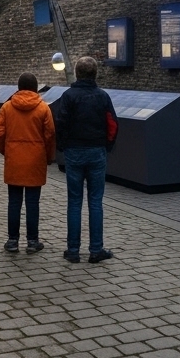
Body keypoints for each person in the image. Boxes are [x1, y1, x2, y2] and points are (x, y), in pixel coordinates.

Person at [51, 56, 118, 263]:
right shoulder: (102, 96)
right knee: (96, 201)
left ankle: (73, 250)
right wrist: (107, 145)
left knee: (74, 201)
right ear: (95, 74)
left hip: (74, 152)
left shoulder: (69, 96)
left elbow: (60, 123)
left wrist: (63, 146)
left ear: (77, 73)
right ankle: (96, 250)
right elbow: (113, 124)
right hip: (96, 151)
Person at [0, 72, 56, 254]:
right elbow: (50, 135)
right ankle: (32, 241)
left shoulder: (7, 107)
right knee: (32, 202)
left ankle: (12, 240)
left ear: (18, 87)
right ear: (36, 87)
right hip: (35, 159)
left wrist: (6, 150)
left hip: (14, 158)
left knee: (14, 202)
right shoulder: (43, 108)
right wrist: (48, 156)